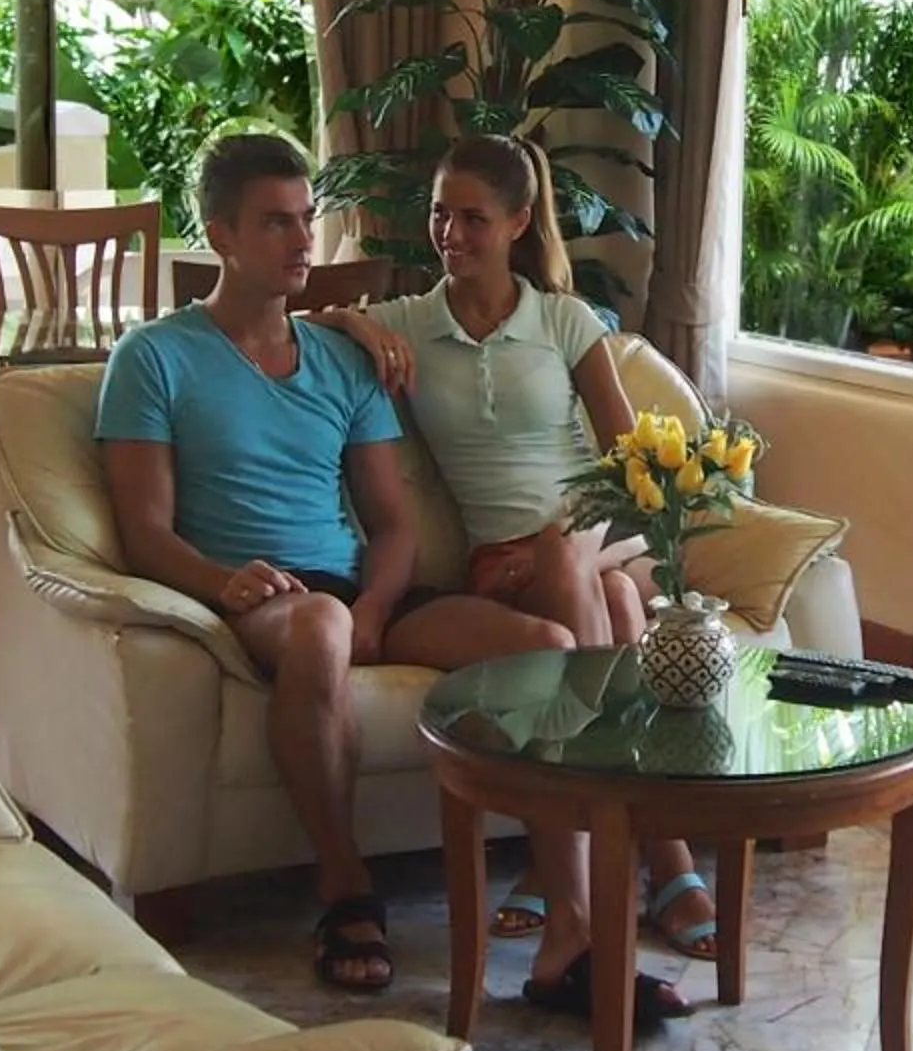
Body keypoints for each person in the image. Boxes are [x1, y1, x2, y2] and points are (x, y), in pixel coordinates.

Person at [94, 134, 581, 995]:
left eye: (306, 219)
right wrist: (222, 581)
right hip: (259, 593)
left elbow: (393, 525)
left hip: (353, 590)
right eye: (276, 223)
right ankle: (345, 883)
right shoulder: (154, 358)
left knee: (547, 646)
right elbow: (144, 532)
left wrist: (377, 609)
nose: (302, 241)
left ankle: (569, 928)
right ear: (221, 235)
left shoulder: (341, 360)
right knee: (320, 622)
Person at [313, 135, 722, 1024]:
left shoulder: (567, 322)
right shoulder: (411, 320)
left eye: (473, 217)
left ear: (519, 223)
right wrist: (355, 321)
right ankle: (655, 860)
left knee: (593, 572)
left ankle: (582, 887)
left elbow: (632, 476)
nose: (450, 233)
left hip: (592, 534)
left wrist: (559, 545)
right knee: (617, 609)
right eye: (439, 214)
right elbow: (312, 318)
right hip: (503, 564)